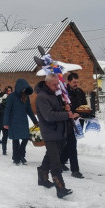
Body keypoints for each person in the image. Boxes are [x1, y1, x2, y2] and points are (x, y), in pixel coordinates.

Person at [34, 71, 79, 199]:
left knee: (51, 155)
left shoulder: (56, 94)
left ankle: (42, 176)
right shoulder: (42, 97)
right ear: (47, 84)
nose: (57, 87)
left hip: (60, 131)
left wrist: (65, 108)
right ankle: (60, 188)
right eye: (54, 85)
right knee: (55, 162)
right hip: (50, 132)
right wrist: (67, 115)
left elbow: (57, 109)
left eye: (58, 84)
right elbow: (48, 116)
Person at [2, 78, 38, 165]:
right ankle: (16, 158)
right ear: (18, 87)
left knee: (25, 138)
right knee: (16, 140)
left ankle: (21, 154)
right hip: (14, 122)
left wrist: (35, 121)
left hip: (23, 121)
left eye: (25, 89)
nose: (24, 90)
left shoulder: (26, 97)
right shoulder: (12, 97)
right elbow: (7, 110)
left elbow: (29, 110)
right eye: (23, 88)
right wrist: (5, 122)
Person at [59, 72, 87, 179]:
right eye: (74, 82)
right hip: (68, 122)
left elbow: (85, 106)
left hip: (79, 121)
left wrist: (79, 113)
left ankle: (61, 161)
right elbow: (61, 107)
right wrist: (69, 113)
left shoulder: (80, 92)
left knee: (70, 144)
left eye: (77, 82)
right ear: (69, 81)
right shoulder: (64, 93)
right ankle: (75, 170)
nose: (76, 84)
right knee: (72, 144)